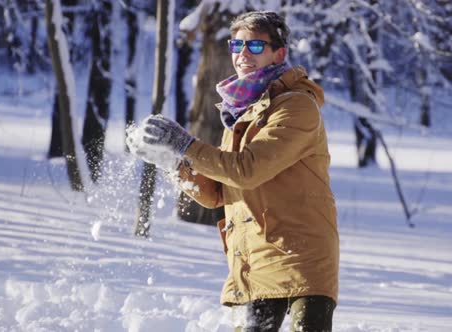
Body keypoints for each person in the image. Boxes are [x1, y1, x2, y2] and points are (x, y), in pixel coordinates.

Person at [134, 11, 339, 332]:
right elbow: (218, 193)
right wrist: (172, 161)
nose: (243, 54)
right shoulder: (241, 112)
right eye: (236, 45)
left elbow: (247, 171)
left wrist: (185, 145)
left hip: (301, 257)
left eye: (256, 46)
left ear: (278, 53)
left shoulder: (296, 106)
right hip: (252, 260)